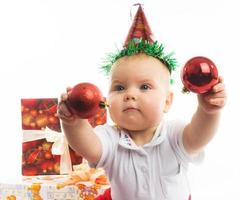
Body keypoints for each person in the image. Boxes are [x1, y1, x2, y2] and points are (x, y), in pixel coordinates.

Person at [57, 5, 226, 200]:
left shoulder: (174, 135)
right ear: (106, 100)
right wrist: (73, 122)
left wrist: (208, 111)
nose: (129, 95)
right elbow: (87, 146)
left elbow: (198, 137)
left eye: (144, 87)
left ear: (167, 101)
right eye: (119, 88)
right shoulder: (110, 139)